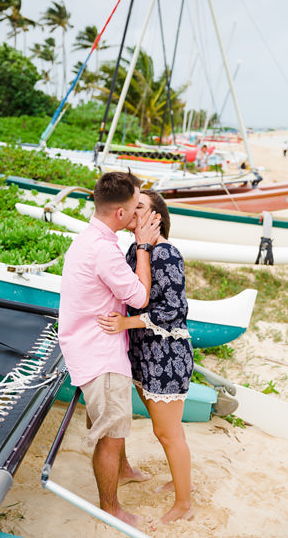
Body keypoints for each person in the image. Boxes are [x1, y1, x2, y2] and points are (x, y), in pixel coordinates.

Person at [58, 171, 161, 526]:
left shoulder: (89, 239)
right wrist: (145, 248)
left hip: (91, 345)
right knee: (112, 434)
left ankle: (124, 469)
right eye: (135, 208)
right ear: (120, 214)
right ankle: (110, 507)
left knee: (110, 424)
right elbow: (141, 297)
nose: (138, 215)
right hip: (99, 353)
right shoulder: (104, 251)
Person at [98, 189, 195, 526]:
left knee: (168, 433)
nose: (129, 210)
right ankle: (180, 480)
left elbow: (173, 311)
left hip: (166, 355)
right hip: (143, 354)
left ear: (156, 217)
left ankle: (184, 502)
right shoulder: (135, 250)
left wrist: (125, 322)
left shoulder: (166, 254)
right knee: (167, 431)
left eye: (139, 207)